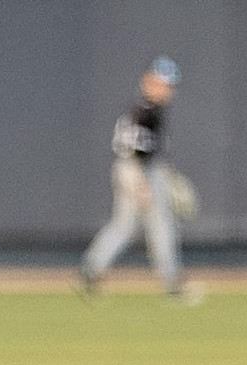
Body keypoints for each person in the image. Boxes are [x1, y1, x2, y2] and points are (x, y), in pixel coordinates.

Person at [78, 56, 198, 302]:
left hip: (130, 168)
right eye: (162, 83)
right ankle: (173, 282)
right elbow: (136, 151)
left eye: (169, 85)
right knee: (161, 225)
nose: (167, 89)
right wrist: (143, 183)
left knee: (124, 225)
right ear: (149, 81)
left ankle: (91, 269)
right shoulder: (147, 111)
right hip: (137, 170)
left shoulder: (143, 108)